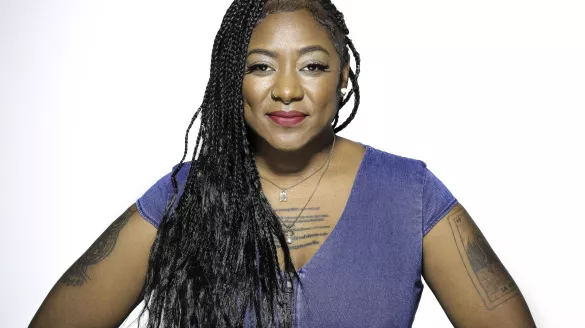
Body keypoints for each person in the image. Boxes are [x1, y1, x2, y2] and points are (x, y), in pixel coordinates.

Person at [29, 0, 537, 327]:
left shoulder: (410, 194)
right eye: (261, 66)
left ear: (342, 78)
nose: (288, 90)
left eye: (313, 66)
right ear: (235, 80)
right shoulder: (186, 194)